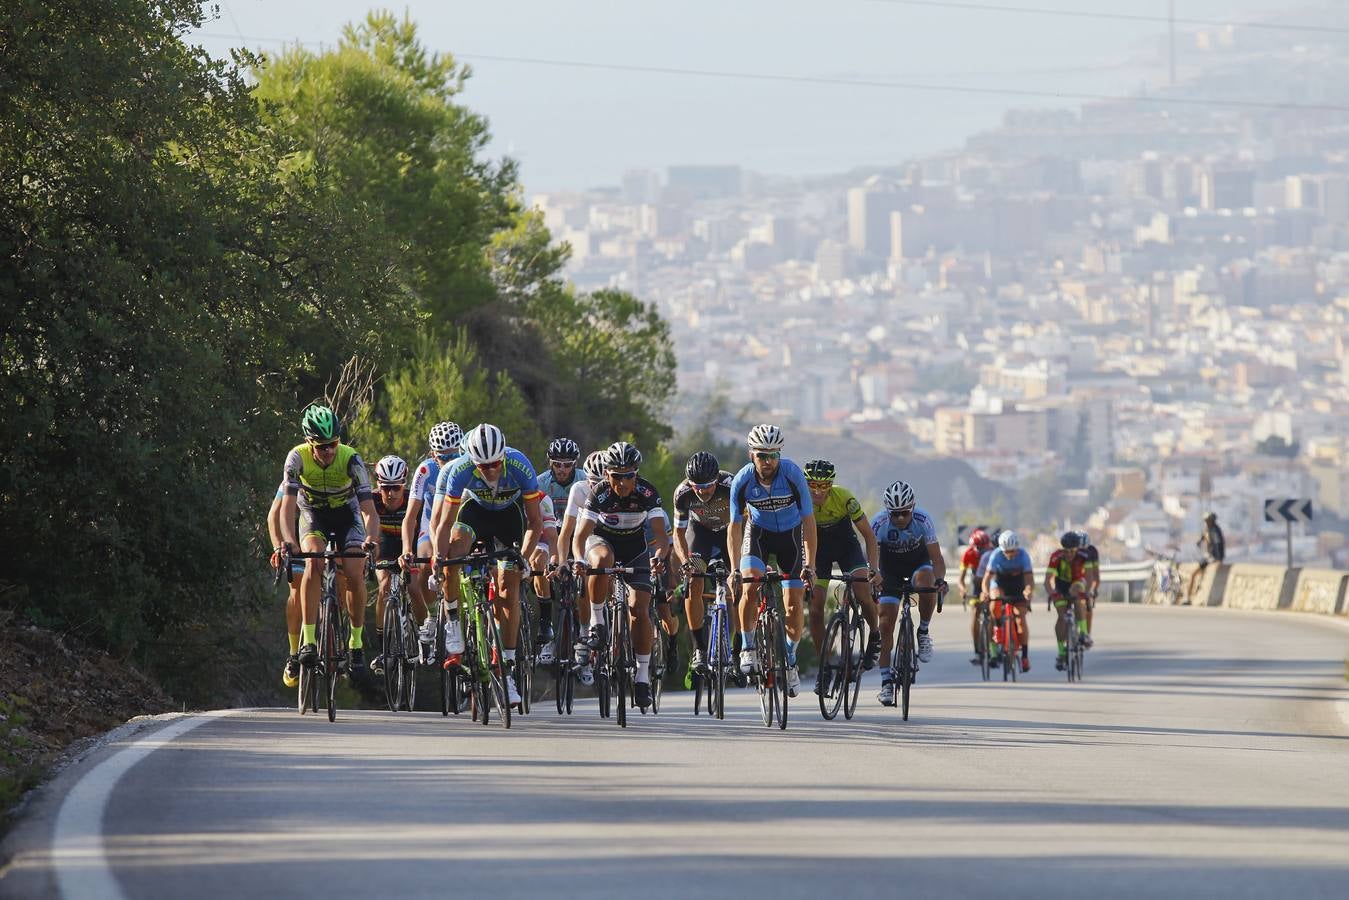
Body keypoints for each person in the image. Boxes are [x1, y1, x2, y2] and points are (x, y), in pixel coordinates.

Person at [434, 423, 545, 707]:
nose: (491, 470)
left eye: (495, 464)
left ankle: (505, 671)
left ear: (503, 457)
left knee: (509, 585)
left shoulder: (520, 464)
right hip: (476, 514)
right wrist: (439, 557)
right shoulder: (459, 470)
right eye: (483, 466)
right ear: (472, 460)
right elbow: (444, 523)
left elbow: (535, 522)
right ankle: (455, 624)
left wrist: (525, 555)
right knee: (453, 548)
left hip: (511, 515)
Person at [278, 404, 379, 671]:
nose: (329, 451)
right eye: (322, 446)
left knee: (355, 572)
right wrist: (289, 540)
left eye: (333, 443)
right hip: (313, 513)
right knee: (313, 562)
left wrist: (370, 538)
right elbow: (287, 507)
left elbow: (369, 510)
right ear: (309, 442)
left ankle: (355, 643)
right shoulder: (296, 458)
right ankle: (309, 641)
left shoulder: (351, 459)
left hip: (347, 514)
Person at [571, 441, 668, 711]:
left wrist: (659, 557)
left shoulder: (647, 492)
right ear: (607, 474)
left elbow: (661, 537)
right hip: (603, 542)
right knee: (601, 560)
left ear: (636, 474)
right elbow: (580, 537)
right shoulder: (598, 494)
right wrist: (579, 560)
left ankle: (641, 677)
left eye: (629, 476)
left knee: (639, 609)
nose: (623, 482)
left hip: (635, 549)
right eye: (617, 476)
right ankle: (597, 620)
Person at [726, 424, 817, 699]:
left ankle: (789, 659)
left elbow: (809, 522)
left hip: (791, 536)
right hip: (759, 536)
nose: (768, 461)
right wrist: (733, 570)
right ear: (751, 454)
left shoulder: (792, 475)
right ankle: (748, 646)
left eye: (773, 455)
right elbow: (734, 526)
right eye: (762, 455)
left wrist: (810, 565)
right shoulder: (742, 480)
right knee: (750, 585)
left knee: (793, 602)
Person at [803, 459, 882, 684]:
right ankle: (824, 665)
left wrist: (873, 569)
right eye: (813, 485)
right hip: (819, 553)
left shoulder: (845, 498)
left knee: (862, 590)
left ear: (831, 484)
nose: (818, 491)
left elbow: (868, 535)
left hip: (847, 548)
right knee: (816, 609)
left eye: (824, 486)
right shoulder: (801, 501)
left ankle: (874, 634)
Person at [870, 480, 945, 706]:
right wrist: (874, 578)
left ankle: (922, 632)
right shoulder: (878, 523)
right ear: (887, 511)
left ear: (912, 508)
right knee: (885, 624)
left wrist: (940, 581)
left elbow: (937, 559)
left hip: (917, 565)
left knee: (927, 580)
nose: (900, 519)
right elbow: (872, 561)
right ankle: (886, 683)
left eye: (905, 513)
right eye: (895, 514)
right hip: (889, 570)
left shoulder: (923, 520)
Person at [400, 421, 461, 659]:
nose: (447, 461)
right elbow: (410, 517)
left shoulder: (468, 466)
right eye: (442, 456)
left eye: (454, 455)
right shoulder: (425, 470)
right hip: (430, 524)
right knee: (425, 562)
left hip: (460, 524)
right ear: (433, 454)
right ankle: (434, 617)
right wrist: (406, 549)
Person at [671, 451, 734, 675]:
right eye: (696, 485)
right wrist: (685, 561)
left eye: (707, 485)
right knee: (694, 582)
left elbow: (746, 524)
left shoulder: (730, 485)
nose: (702, 491)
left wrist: (741, 562)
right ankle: (699, 648)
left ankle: (739, 647)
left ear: (716, 479)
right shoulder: (683, 493)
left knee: (740, 584)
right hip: (700, 534)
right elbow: (678, 534)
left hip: (729, 533)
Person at [535, 438, 582, 662]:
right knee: (538, 563)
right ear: (549, 463)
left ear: (575, 464)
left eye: (567, 464)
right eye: (557, 464)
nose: (562, 469)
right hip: (549, 534)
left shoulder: (584, 481)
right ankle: (547, 633)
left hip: (576, 535)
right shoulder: (540, 483)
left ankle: (584, 638)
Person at [368, 455, 409, 675]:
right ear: (378, 485)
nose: (391, 493)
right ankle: (383, 648)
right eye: (386, 488)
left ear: (404, 484)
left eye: (396, 488)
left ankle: (418, 631)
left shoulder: (413, 500)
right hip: (383, 543)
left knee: (415, 583)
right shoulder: (371, 500)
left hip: (406, 543)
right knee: (384, 587)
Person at [982, 530, 1034, 673]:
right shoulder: (996, 555)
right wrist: (985, 592)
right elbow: (986, 579)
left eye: (1012, 552)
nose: (1010, 555)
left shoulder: (1023, 555)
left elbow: (1029, 579)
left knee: (1020, 620)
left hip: (1018, 585)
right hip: (1000, 583)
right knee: (994, 602)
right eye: (1006, 552)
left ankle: (1024, 656)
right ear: (1001, 549)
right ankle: (998, 628)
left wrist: (1028, 590)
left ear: (1017, 548)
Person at [1045, 531, 1091, 672]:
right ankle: (1061, 651)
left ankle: (1083, 633)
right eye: (1066, 551)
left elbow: (1089, 578)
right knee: (1062, 617)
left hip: (1078, 582)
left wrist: (1087, 592)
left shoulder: (1084, 556)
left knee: (1076, 594)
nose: (1069, 554)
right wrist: (1052, 593)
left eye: (1072, 551)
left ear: (1077, 548)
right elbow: (1048, 580)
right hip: (1061, 586)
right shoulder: (1056, 557)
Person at [960, 528, 994, 664]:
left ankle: (994, 648)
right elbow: (961, 578)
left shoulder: (992, 552)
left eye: (983, 548)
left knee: (992, 612)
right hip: (976, 582)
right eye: (978, 548)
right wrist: (963, 589)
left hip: (991, 582)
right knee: (975, 613)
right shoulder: (968, 554)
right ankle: (977, 650)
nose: (980, 551)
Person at [1187, 513, 1225, 601]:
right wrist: (1200, 541)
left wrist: (1219, 559)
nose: (1206, 522)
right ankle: (1190, 596)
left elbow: (1218, 544)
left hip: (1212, 558)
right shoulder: (1209, 529)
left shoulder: (1215, 531)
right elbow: (1203, 538)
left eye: (1207, 521)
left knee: (1193, 574)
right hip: (1209, 557)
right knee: (1195, 575)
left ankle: (1188, 598)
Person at [1075, 529, 1100, 637]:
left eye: (1083, 548)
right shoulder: (1069, 551)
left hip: (1086, 579)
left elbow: (1095, 575)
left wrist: (1093, 589)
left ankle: (1087, 635)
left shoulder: (1092, 551)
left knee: (1087, 605)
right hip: (1074, 579)